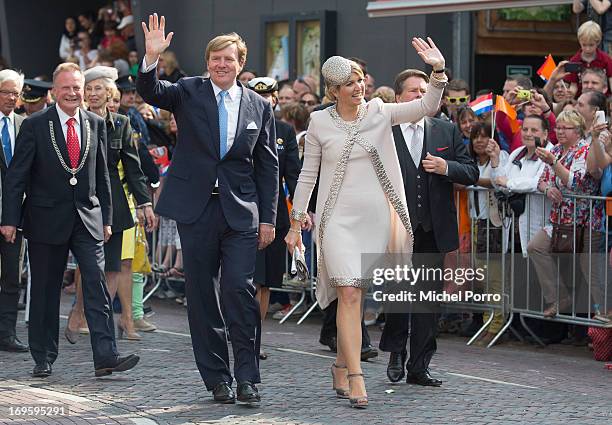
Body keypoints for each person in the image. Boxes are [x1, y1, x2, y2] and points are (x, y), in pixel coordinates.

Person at [286, 38, 448, 409]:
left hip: (377, 215)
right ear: (333, 90)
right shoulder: (318, 121)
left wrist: (437, 71)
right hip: (336, 219)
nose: (358, 88)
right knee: (349, 291)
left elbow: (427, 105)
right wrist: (296, 224)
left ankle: (342, 364)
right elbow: (307, 176)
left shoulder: (379, 110)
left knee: (357, 295)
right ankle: (357, 375)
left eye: (360, 80)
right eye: (350, 84)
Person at [137, 15, 278, 405]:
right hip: (196, 210)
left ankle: (247, 377)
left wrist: (269, 219)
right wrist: (151, 58)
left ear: (240, 63)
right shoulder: (188, 90)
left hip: (241, 213)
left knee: (239, 290)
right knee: (201, 295)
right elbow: (151, 91)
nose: (221, 64)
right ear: (207, 62)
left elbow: (268, 166)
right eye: (215, 58)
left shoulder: (257, 105)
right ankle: (218, 378)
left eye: (228, 59)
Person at [0, 62, 140, 378]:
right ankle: (44, 356)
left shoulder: (95, 123)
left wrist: (106, 217)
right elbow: (16, 177)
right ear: (54, 91)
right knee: (46, 291)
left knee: (96, 284)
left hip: (88, 219)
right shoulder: (35, 125)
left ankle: (106, 356)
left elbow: (103, 175)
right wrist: (9, 219)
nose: (73, 93)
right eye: (66, 88)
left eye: (77, 87)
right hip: (45, 219)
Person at [379, 69, 479, 384]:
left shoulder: (446, 130)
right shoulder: (383, 131)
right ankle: (396, 352)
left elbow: (471, 171)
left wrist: (446, 167)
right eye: (413, 91)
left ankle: (419, 366)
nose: (420, 96)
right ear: (398, 98)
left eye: (425, 90)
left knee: (427, 300)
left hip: (434, 227)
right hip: (395, 227)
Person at [65, 66, 156, 343]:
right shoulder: (75, 121)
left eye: (99, 89)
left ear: (110, 93)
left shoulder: (121, 123)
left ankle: (101, 321)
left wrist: (144, 203)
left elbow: (133, 166)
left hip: (115, 200)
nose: (93, 93)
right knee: (89, 264)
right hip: (81, 198)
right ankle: (79, 312)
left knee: (114, 265)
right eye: (89, 88)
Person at [528, 110, 604, 318]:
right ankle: (559, 297)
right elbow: (541, 180)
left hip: (586, 220)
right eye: (558, 127)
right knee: (535, 247)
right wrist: (547, 189)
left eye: (565, 128)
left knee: (589, 268)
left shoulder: (584, 150)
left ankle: (605, 310)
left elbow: (575, 182)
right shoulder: (558, 150)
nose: (559, 131)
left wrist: (554, 163)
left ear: (578, 130)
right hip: (560, 220)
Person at [248, 77, 301, 360]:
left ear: (276, 99)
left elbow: (294, 173)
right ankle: (239, 331)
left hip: (274, 214)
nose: (265, 101)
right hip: (242, 210)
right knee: (244, 280)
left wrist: (304, 209)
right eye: (259, 96)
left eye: (269, 96)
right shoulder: (240, 126)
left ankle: (254, 337)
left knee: (265, 281)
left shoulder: (284, 132)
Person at [0, 69, 27, 353]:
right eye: (6, 92)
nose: (11, 98)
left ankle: (7, 333)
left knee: (12, 276)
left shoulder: (24, 125)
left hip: (15, 216)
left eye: (15, 93)